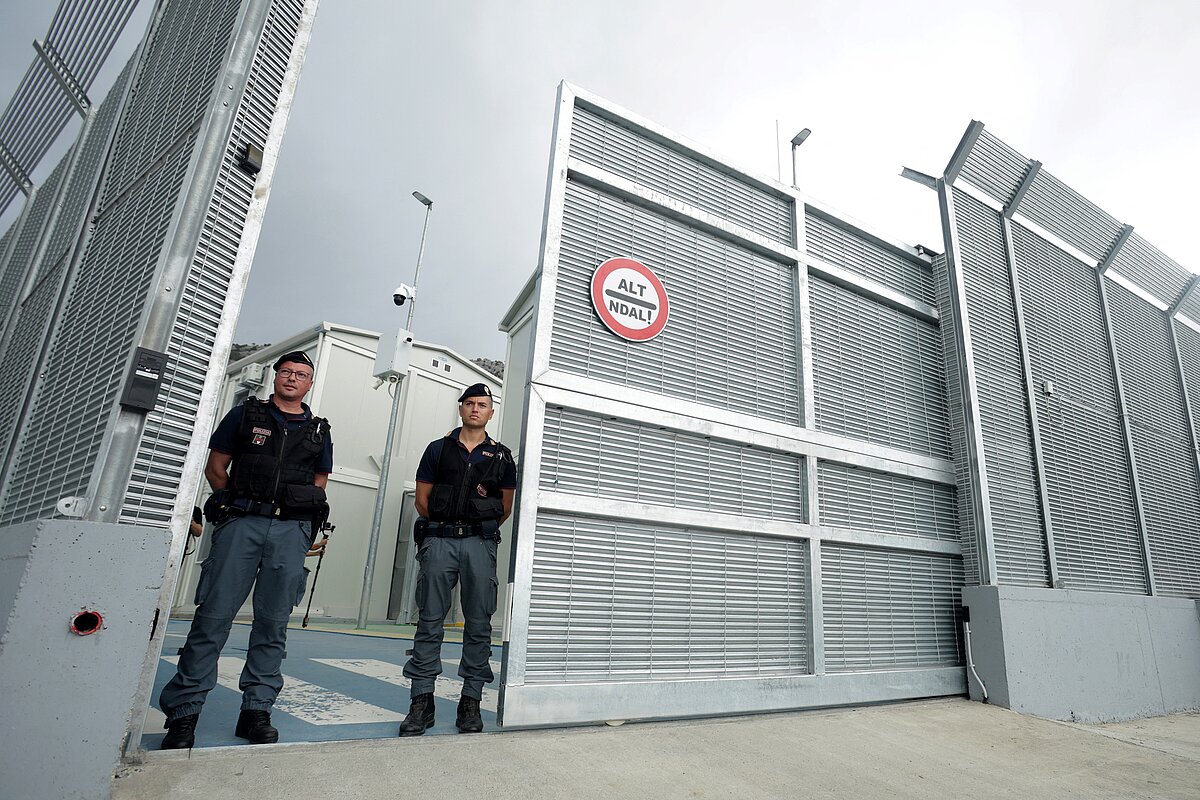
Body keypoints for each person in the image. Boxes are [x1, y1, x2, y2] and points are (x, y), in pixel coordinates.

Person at [159, 351, 333, 749]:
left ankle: (256, 709)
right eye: (286, 372)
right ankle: (184, 714)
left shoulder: (319, 431)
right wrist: (233, 505)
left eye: (301, 375)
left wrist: (297, 525)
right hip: (243, 522)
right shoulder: (244, 415)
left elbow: (319, 482)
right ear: (276, 377)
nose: (292, 379)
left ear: (309, 384)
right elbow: (216, 466)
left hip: (290, 530)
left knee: (273, 623)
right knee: (213, 618)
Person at [398, 382, 517, 736]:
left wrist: (476, 528)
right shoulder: (438, 450)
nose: (476, 409)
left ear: (491, 412)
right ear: (461, 409)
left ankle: (470, 702)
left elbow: (505, 508)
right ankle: (421, 702)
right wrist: (446, 528)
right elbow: (423, 500)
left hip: (480, 544)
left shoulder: (502, 456)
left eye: (483, 404)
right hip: (440, 541)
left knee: (479, 623)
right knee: (429, 619)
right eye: (470, 403)